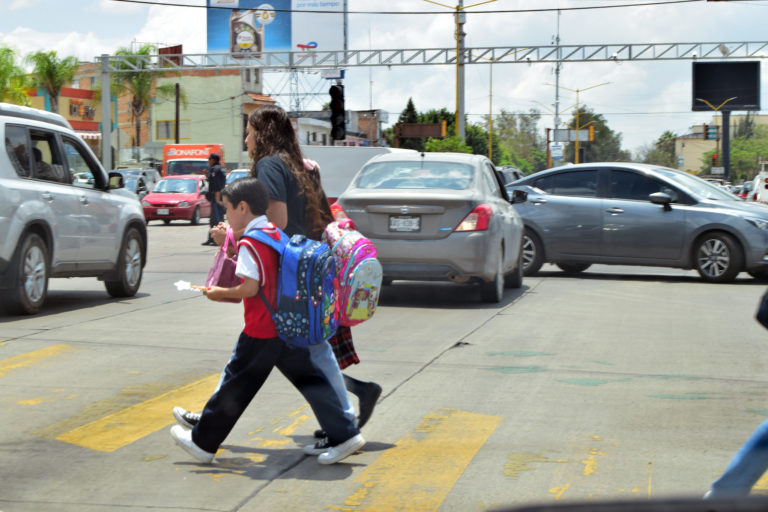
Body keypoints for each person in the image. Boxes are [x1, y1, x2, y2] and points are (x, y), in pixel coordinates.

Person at [170, 177, 364, 465]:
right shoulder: (273, 232)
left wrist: (218, 292)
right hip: (286, 323)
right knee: (311, 380)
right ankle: (345, 435)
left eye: (227, 209)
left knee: (235, 385)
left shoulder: (250, 242)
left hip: (262, 329)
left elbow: (250, 287)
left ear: (243, 207)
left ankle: (202, 443)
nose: (226, 216)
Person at [202, 153, 225, 246]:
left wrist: (217, 199)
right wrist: (207, 176)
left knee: (217, 219)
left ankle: (218, 239)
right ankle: (211, 238)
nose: (208, 161)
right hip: (215, 197)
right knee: (212, 220)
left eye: (210, 159)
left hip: (217, 198)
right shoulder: (215, 169)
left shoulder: (216, 169)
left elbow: (217, 186)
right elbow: (212, 182)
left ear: (214, 160)